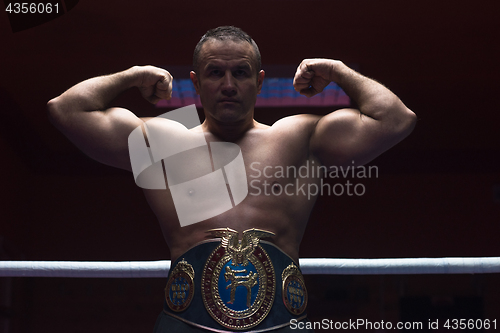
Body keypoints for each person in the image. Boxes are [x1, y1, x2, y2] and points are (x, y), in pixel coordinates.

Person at [47, 26, 416, 332]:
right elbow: (65, 110)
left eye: (239, 73)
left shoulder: (299, 137)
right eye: (215, 73)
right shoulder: (163, 141)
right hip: (185, 323)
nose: (228, 84)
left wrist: (337, 71)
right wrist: (132, 75)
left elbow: (396, 119)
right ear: (195, 82)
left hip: (281, 323)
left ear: (258, 82)